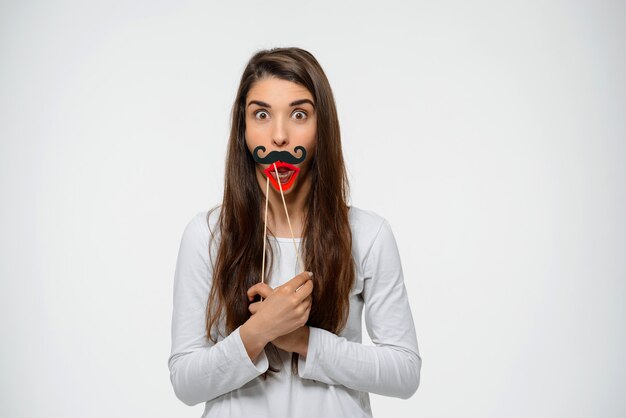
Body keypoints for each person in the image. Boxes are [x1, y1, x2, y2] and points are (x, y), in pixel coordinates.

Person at [168, 47, 421, 418]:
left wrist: (303, 340)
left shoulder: (368, 234)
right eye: (262, 114)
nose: (280, 136)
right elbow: (185, 383)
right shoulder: (207, 235)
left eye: (299, 114)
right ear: (243, 129)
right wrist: (261, 331)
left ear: (323, 128)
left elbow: (405, 373)